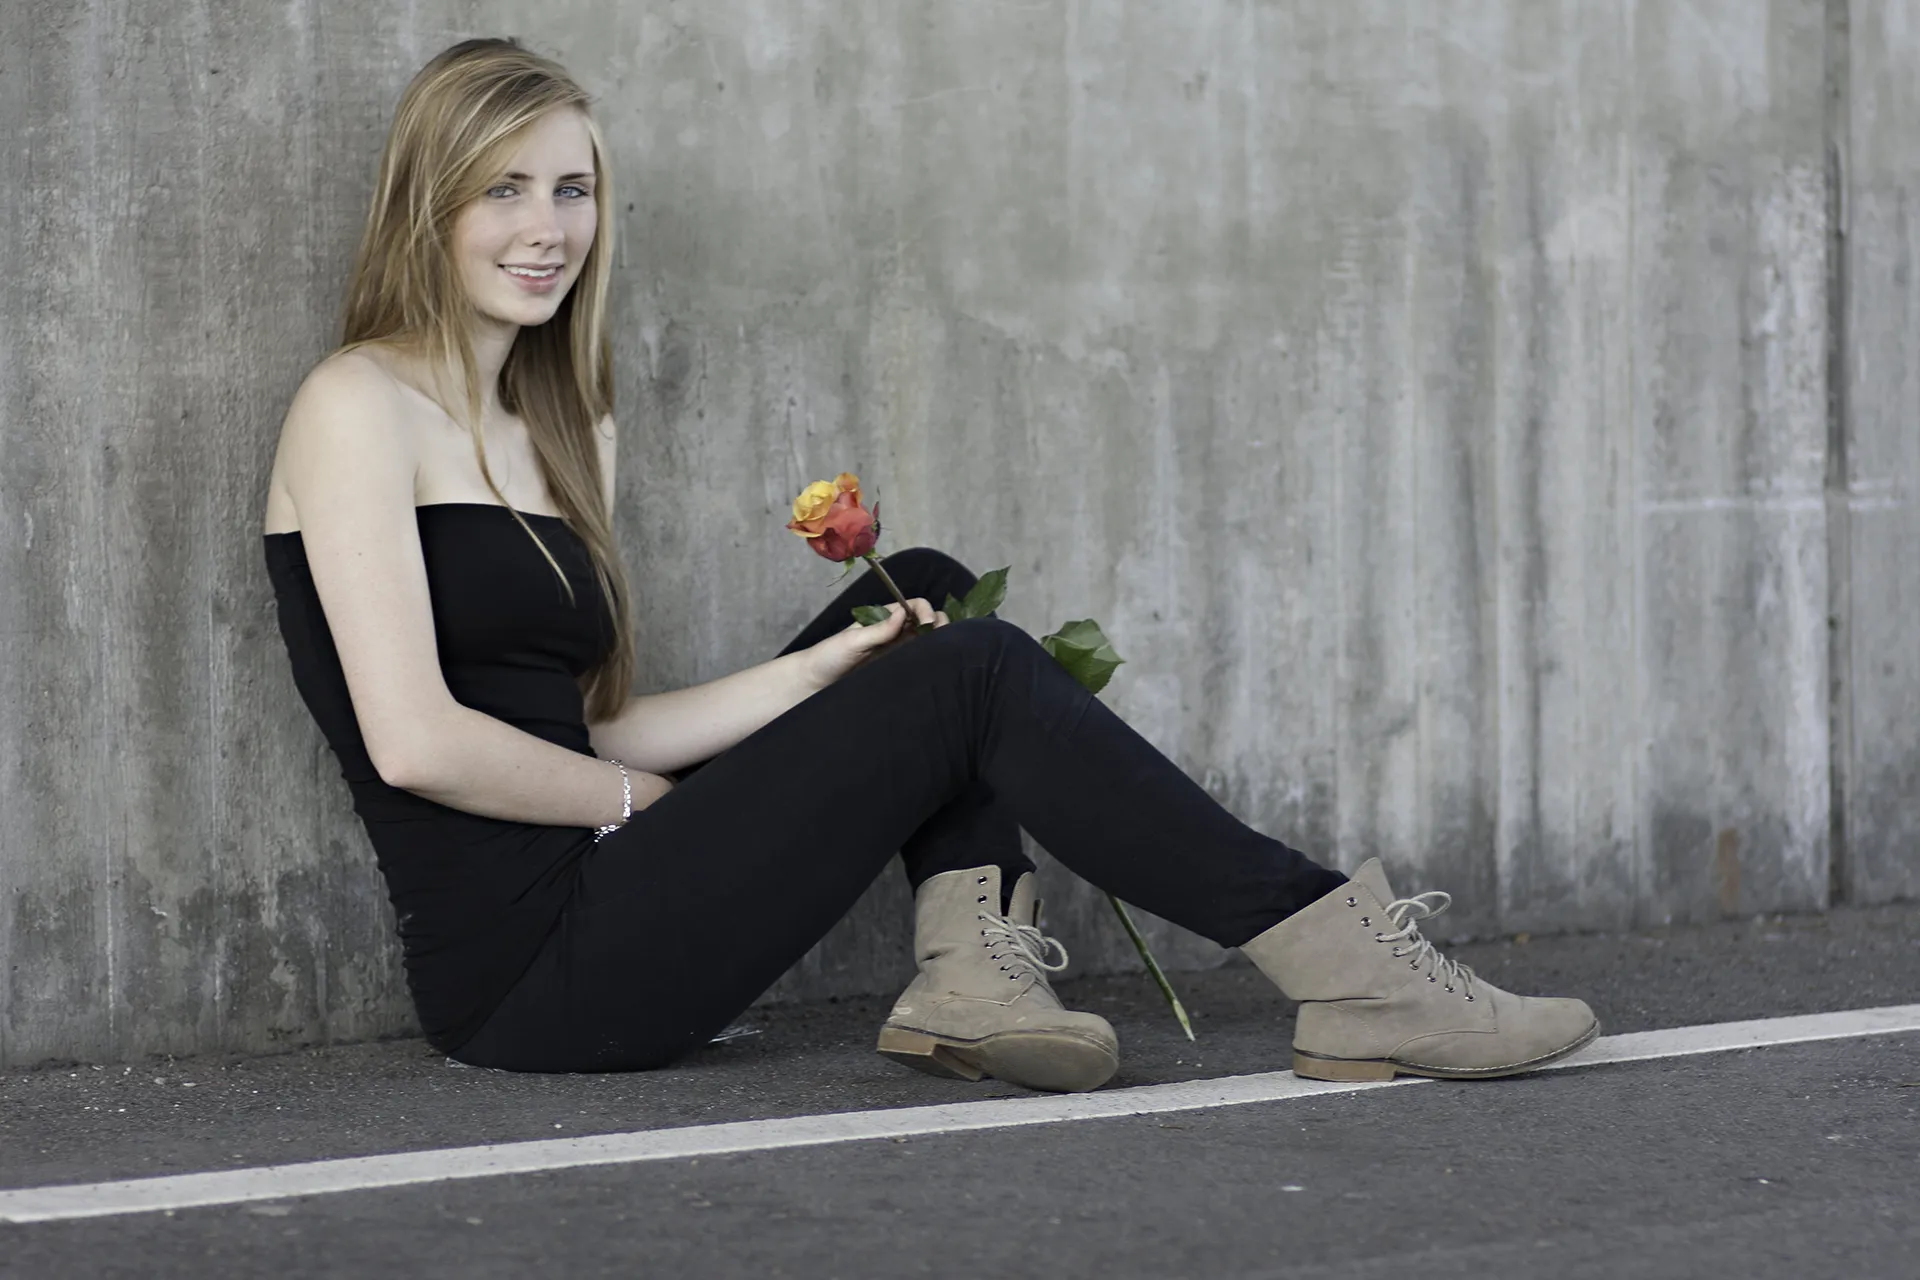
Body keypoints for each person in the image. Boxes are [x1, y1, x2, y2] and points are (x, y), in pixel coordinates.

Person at [261, 37, 1598, 1092]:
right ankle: (1353, 971)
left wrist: (822, 679)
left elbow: (595, 722)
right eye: (503, 190)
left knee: (924, 595)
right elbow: (416, 744)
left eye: (572, 189)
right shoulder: (357, 405)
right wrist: (653, 809)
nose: (546, 227)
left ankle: (973, 981)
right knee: (975, 672)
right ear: (430, 205)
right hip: (529, 979)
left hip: (616, 881)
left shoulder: (563, 424)